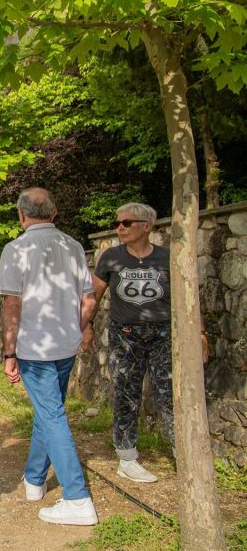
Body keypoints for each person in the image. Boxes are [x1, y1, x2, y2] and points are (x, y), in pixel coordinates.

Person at [0, 188, 98, 526]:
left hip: (34, 347)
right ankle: (35, 480)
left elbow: (12, 305)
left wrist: (9, 351)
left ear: (21, 215)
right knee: (48, 411)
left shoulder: (15, 250)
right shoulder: (73, 248)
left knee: (51, 415)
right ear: (54, 214)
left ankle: (77, 496)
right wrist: (77, 327)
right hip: (65, 344)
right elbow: (90, 300)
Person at [88, 202, 208, 483]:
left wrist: (200, 335)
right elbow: (93, 296)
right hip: (125, 334)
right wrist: (86, 326)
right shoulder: (111, 258)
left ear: (146, 226)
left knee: (170, 394)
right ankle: (127, 458)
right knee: (126, 395)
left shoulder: (167, 257)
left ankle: (185, 456)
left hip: (163, 335)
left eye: (126, 223)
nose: (120, 228)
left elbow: (189, 299)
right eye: (117, 223)